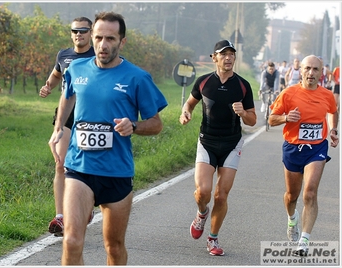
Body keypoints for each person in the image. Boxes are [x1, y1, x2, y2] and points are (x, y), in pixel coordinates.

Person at [49, 11, 168, 265]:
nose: (103, 45)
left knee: (113, 248)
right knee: (71, 242)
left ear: (122, 42)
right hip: (80, 168)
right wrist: (58, 127)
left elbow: (157, 124)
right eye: (99, 37)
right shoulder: (77, 67)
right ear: (92, 37)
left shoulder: (137, 78)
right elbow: (68, 94)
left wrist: (133, 126)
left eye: (111, 39)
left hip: (116, 173)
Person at [179, 40, 256, 256]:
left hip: (231, 144)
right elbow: (190, 104)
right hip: (207, 142)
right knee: (203, 192)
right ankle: (202, 213)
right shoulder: (204, 82)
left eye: (231, 54)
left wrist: (243, 113)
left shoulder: (242, 86)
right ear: (214, 58)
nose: (228, 58)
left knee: (221, 195)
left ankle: (212, 239)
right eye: (224, 54)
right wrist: (186, 112)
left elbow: (252, 120)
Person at [268, 55, 339, 257]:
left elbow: (334, 111)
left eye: (316, 69)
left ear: (321, 73)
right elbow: (271, 119)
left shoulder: (326, 95)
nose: (311, 73)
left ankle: (304, 240)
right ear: (301, 71)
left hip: (317, 148)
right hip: (293, 148)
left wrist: (333, 129)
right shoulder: (288, 94)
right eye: (307, 68)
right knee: (292, 196)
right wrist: (285, 117)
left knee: (310, 192)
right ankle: (292, 219)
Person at [39, 17, 96, 237]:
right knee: (60, 164)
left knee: (86, 166)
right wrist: (48, 87)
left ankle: (87, 206)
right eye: (75, 31)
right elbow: (55, 75)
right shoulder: (63, 55)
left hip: (91, 116)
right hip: (65, 115)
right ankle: (61, 217)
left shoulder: (97, 56)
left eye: (83, 31)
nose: (78, 34)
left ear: (90, 33)